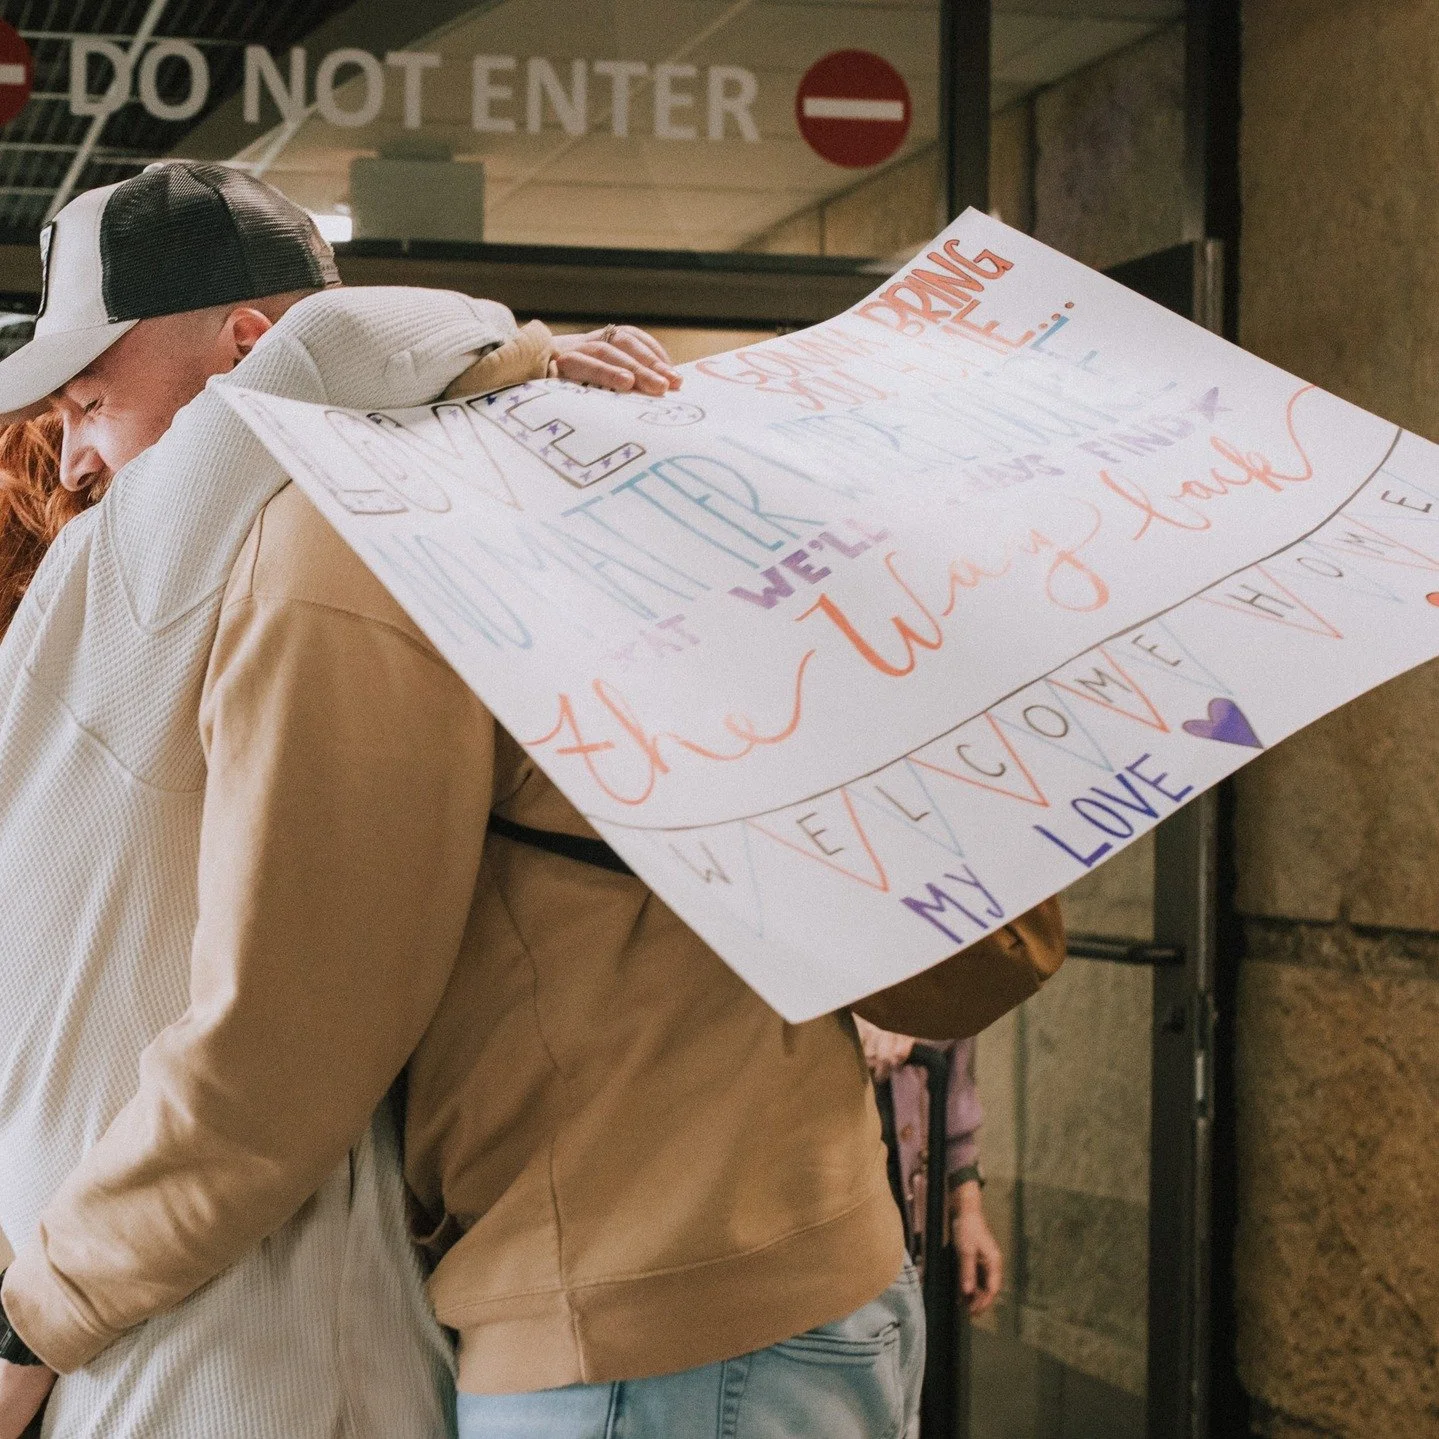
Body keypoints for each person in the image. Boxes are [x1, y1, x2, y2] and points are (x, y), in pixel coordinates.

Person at [0, 161, 1066, 1439]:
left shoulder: (335, 541)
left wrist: (38, 1316)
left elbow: (284, 1044)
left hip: (633, 1313)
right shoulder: (581, 452)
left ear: (248, 349)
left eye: (93, 400)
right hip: (804, 1247)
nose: (82, 456)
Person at [857, 1020, 1004, 1317]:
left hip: (906, 1249)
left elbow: (955, 1108)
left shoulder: (946, 979)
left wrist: (967, 1213)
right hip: (815, 1252)